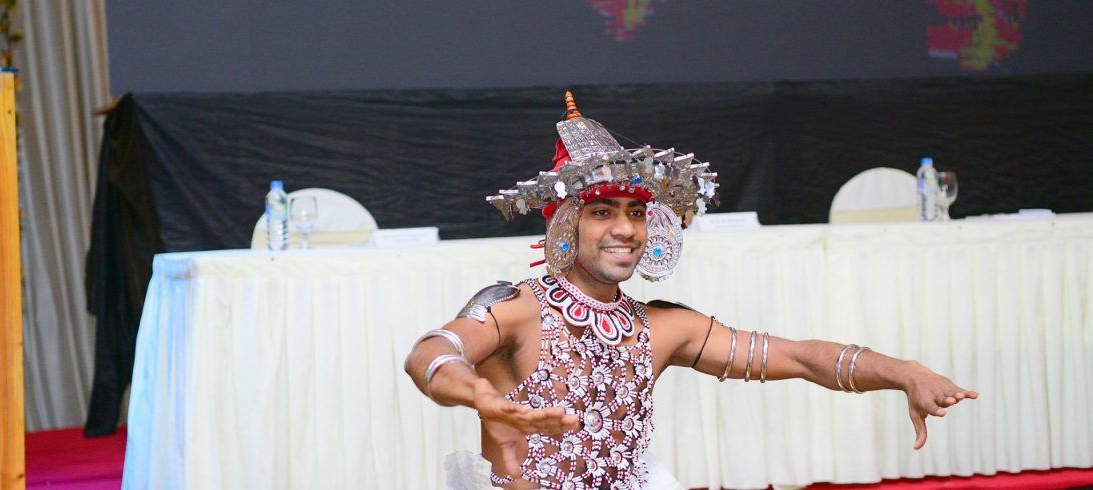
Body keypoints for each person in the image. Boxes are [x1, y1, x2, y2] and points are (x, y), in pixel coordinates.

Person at [403, 92, 977, 490]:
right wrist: (481, 396)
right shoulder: (517, 307)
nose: (625, 229)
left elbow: (800, 357)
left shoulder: (663, 326)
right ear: (566, 225)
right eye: (602, 212)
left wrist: (903, 372)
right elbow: (431, 353)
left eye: (635, 212)